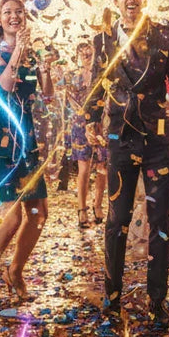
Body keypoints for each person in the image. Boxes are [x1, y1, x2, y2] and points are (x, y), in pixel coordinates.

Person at [85, 0, 169, 326]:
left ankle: (157, 301)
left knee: (160, 220)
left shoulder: (165, 34)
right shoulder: (103, 39)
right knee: (117, 219)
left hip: (158, 138)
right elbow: (97, 83)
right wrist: (90, 118)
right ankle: (112, 299)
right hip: (120, 136)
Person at [0, 0, 54, 305]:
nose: (14, 16)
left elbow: (47, 95)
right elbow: (6, 86)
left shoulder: (33, 55)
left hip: (27, 141)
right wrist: (20, 48)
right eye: (7, 12)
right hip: (0, 142)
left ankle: (15, 271)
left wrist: (45, 71)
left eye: (19, 12)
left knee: (38, 213)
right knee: (11, 218)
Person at [65, 41, 107, 228]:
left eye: (89, 53)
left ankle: (97, 205)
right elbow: (67, 97)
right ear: (77, 56)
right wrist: (82, 113)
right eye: (82, 54)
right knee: (84, 167)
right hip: (80, 123)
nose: (86, 56)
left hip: (101, 123)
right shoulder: (72, 76)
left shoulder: (102, 74)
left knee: (102, 166)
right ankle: (82, 208)